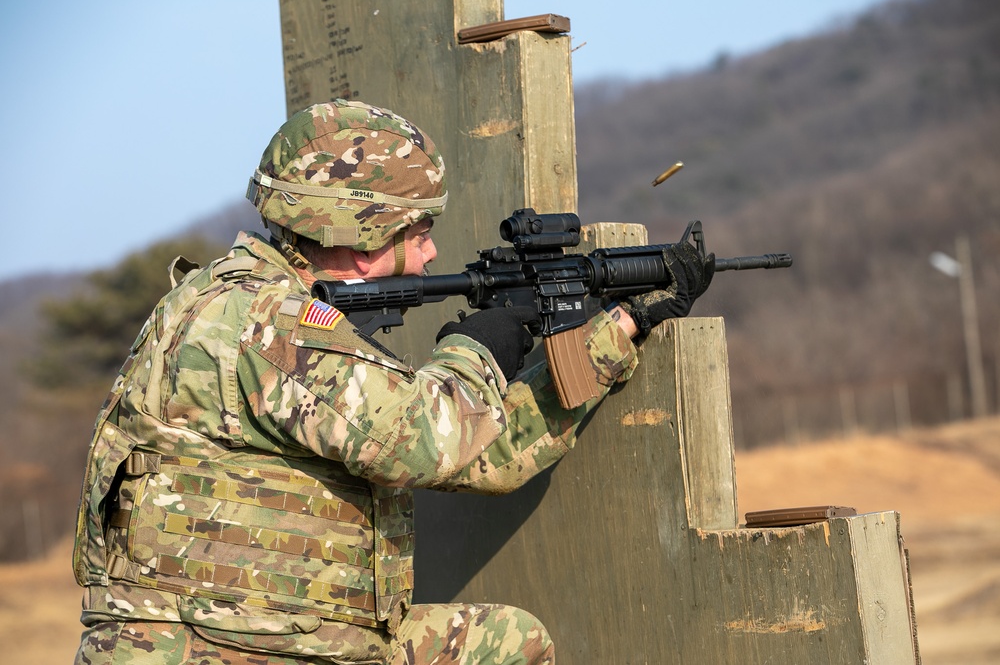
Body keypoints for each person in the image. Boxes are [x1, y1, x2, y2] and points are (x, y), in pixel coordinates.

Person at [73, 99, 713, 664]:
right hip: (231, 647)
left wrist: (617, 331)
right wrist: (476, 348)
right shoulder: (271, 327)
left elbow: (481, 453)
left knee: (510, 640)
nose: (431, 253)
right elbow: (429, 441)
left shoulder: (222, 299)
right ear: (361, 238)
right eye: (420, 231)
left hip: (247, 634)